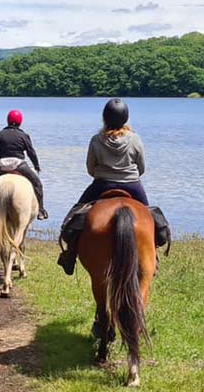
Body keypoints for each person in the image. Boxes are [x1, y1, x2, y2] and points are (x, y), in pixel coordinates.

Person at [56, 98, 171, 275]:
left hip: (101, 184)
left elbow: (90, 168)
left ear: (105, 118)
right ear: (125, 118)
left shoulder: (96, 140)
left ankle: (70, 255)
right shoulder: (135, 139)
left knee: (73, 218)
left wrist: (103, 175)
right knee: (150, 217)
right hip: (132, 185)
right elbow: (141, 168)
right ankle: (153, 253)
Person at [0, 109, 49, 220]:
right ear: (20, 121)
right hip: (19, 165)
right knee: (38, 185)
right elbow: (31, 152)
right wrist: (37, 165)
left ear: (8, 121)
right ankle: (41, 210)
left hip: (3, 166)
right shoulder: (23, 135)